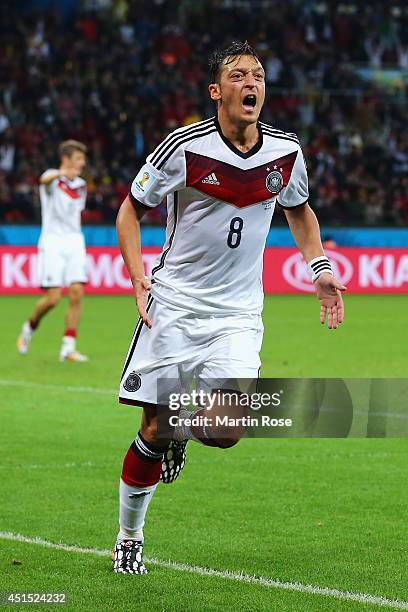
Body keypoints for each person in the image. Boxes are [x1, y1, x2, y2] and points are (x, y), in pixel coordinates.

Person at [112, 41, 346, 574]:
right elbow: (130, 208)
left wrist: (321, 269)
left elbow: (301, 213)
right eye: (239, 75)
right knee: (152, 429)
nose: (252, 84)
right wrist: (136, 275)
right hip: (173, 306)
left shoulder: (285, 153)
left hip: (238, 315)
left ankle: (182, 429)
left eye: (259, 75)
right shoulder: (184, 148)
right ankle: (129, 536)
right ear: (217, 91)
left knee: (228, 427)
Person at [17, 139, 89, 362]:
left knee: (77, 292)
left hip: (75, 240)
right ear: (66, 159)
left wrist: (69, 175)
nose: (82, 163)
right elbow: (43, 179)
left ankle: (68, 347)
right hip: (52, 242)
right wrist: (61, 173)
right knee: (53, 298)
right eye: (78, 158)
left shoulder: (81, 185)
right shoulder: (52, 178)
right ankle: (29, 327)